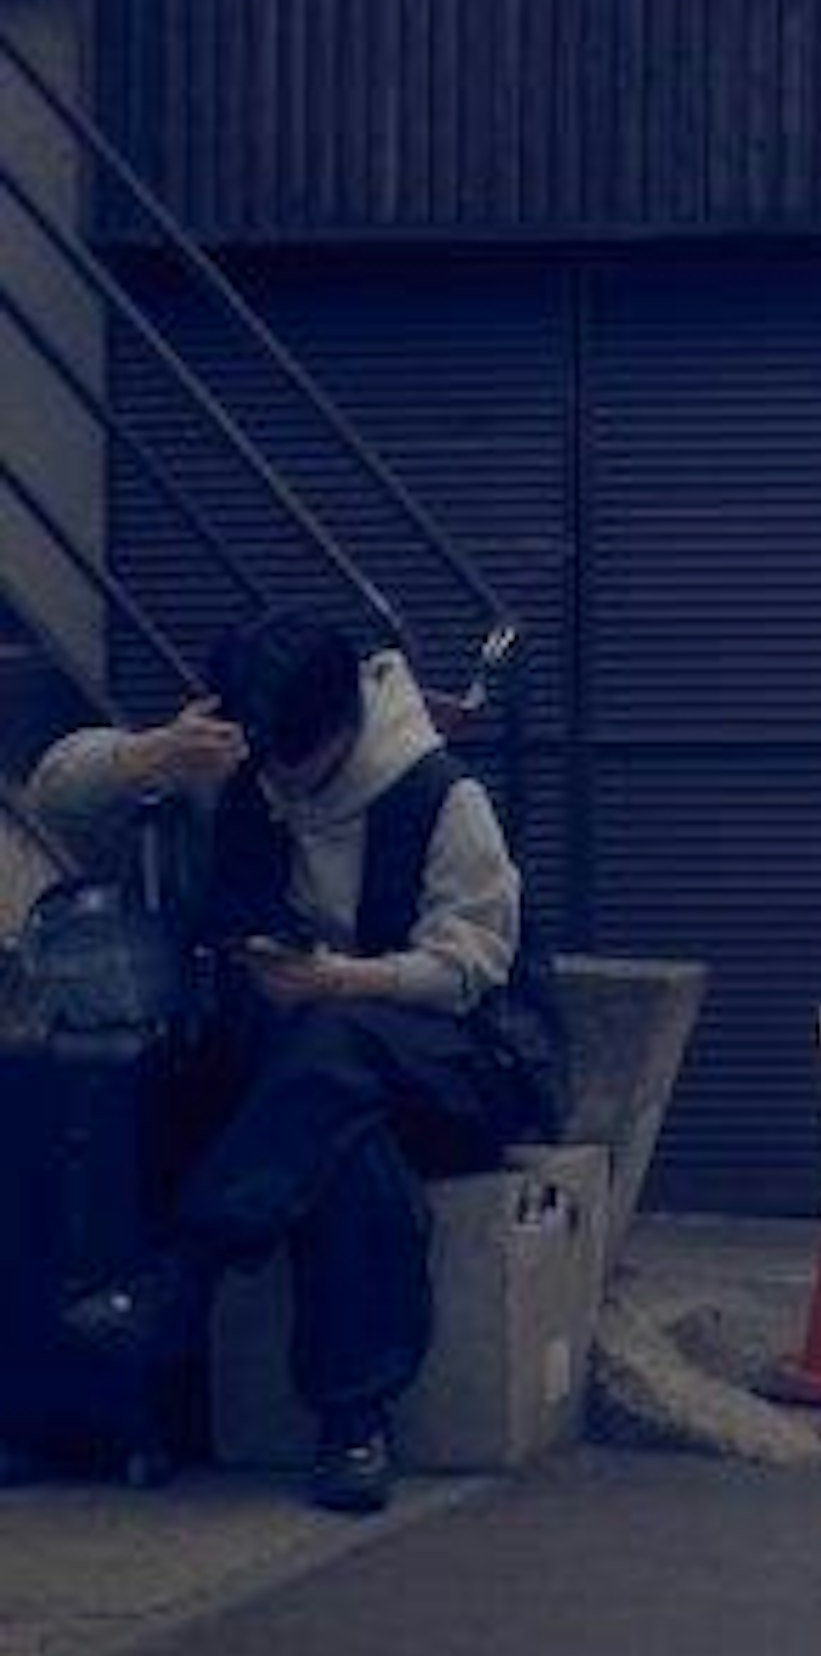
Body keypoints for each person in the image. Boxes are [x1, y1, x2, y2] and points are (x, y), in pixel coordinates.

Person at [25, 609, 563, 1516]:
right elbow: (55, 796)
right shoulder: (232, 770)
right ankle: (352, 1421)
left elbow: (474, 966)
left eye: (297, 763)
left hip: (461, 1062)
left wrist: (345, 980)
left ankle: (186, 1273)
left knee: (335, 1050)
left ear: (346, 723)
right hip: (308, 1089)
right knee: (346, 1145)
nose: (278, 785)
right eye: (260, 760)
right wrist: (150, 755)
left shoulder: (437, 793)